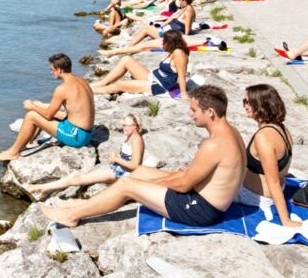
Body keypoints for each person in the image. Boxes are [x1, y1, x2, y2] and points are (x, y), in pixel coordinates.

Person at [40, 85, 245, 228]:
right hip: (203, 199)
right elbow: (189, 178)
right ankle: (86, 205)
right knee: (140, 170)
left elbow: (183, 186)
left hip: (199, 210)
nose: (191, 115)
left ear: (210, 112)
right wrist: (151, 178)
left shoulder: (214, 144)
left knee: (126, 185)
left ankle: (72, 216)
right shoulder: (231, 132)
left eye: (194, 110)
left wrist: (157, 182)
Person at [0, 53, 96, 161]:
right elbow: (74, 111)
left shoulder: (62, 89)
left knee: (31, 115)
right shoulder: (83, 81)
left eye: (52, 69)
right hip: (85, 132)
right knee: (43, 112)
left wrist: (32, 106)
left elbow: (47, 115)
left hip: (76, 136)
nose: (51, 72)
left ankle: (13, 152)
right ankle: (30, 142)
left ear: (60, 70)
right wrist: (39, 106)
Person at [22, 114, 146, 201]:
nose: (124, 127)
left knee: (76, 178)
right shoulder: (131, 138)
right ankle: (43, 189)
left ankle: (40, 188)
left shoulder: (137, 140)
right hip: (117, 169)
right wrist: (118, 158)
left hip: (120, 174)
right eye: (123, 125)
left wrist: (116, 159)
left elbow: (135, 165)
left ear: (136, 126)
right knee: (76, 175)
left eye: (127, 125)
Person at [237, 84, 301, 228]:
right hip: (269, 189)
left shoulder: (264, 137)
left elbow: (273, 182)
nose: (245, 106)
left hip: (254, 195)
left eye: (248, 102)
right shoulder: (282, 128)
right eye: (244, 102)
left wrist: (285, 219)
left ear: (261, 105)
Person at [91, 30, 190, 100]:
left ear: (170, 43)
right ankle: (102, 83)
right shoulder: (174, 50)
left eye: (164, 42)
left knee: (119, 85)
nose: (162, 44)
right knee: (126, 59)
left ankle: (93, 90)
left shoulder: (179, 54)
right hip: (153, 77)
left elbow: (181, 76)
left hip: (158, 86)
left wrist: (183, 94)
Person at [101, 0, 197, 57]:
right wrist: (163, 24)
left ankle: (128, 47)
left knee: (146, 30)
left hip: (173, 35)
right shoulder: (185, 8)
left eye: (180, 0)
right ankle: (129, 46)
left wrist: (184, 39)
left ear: (184, 0)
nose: (179, 2)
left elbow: (187, 29)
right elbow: (174, 20)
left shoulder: (188, 10)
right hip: (170, 31)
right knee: (147, 28)